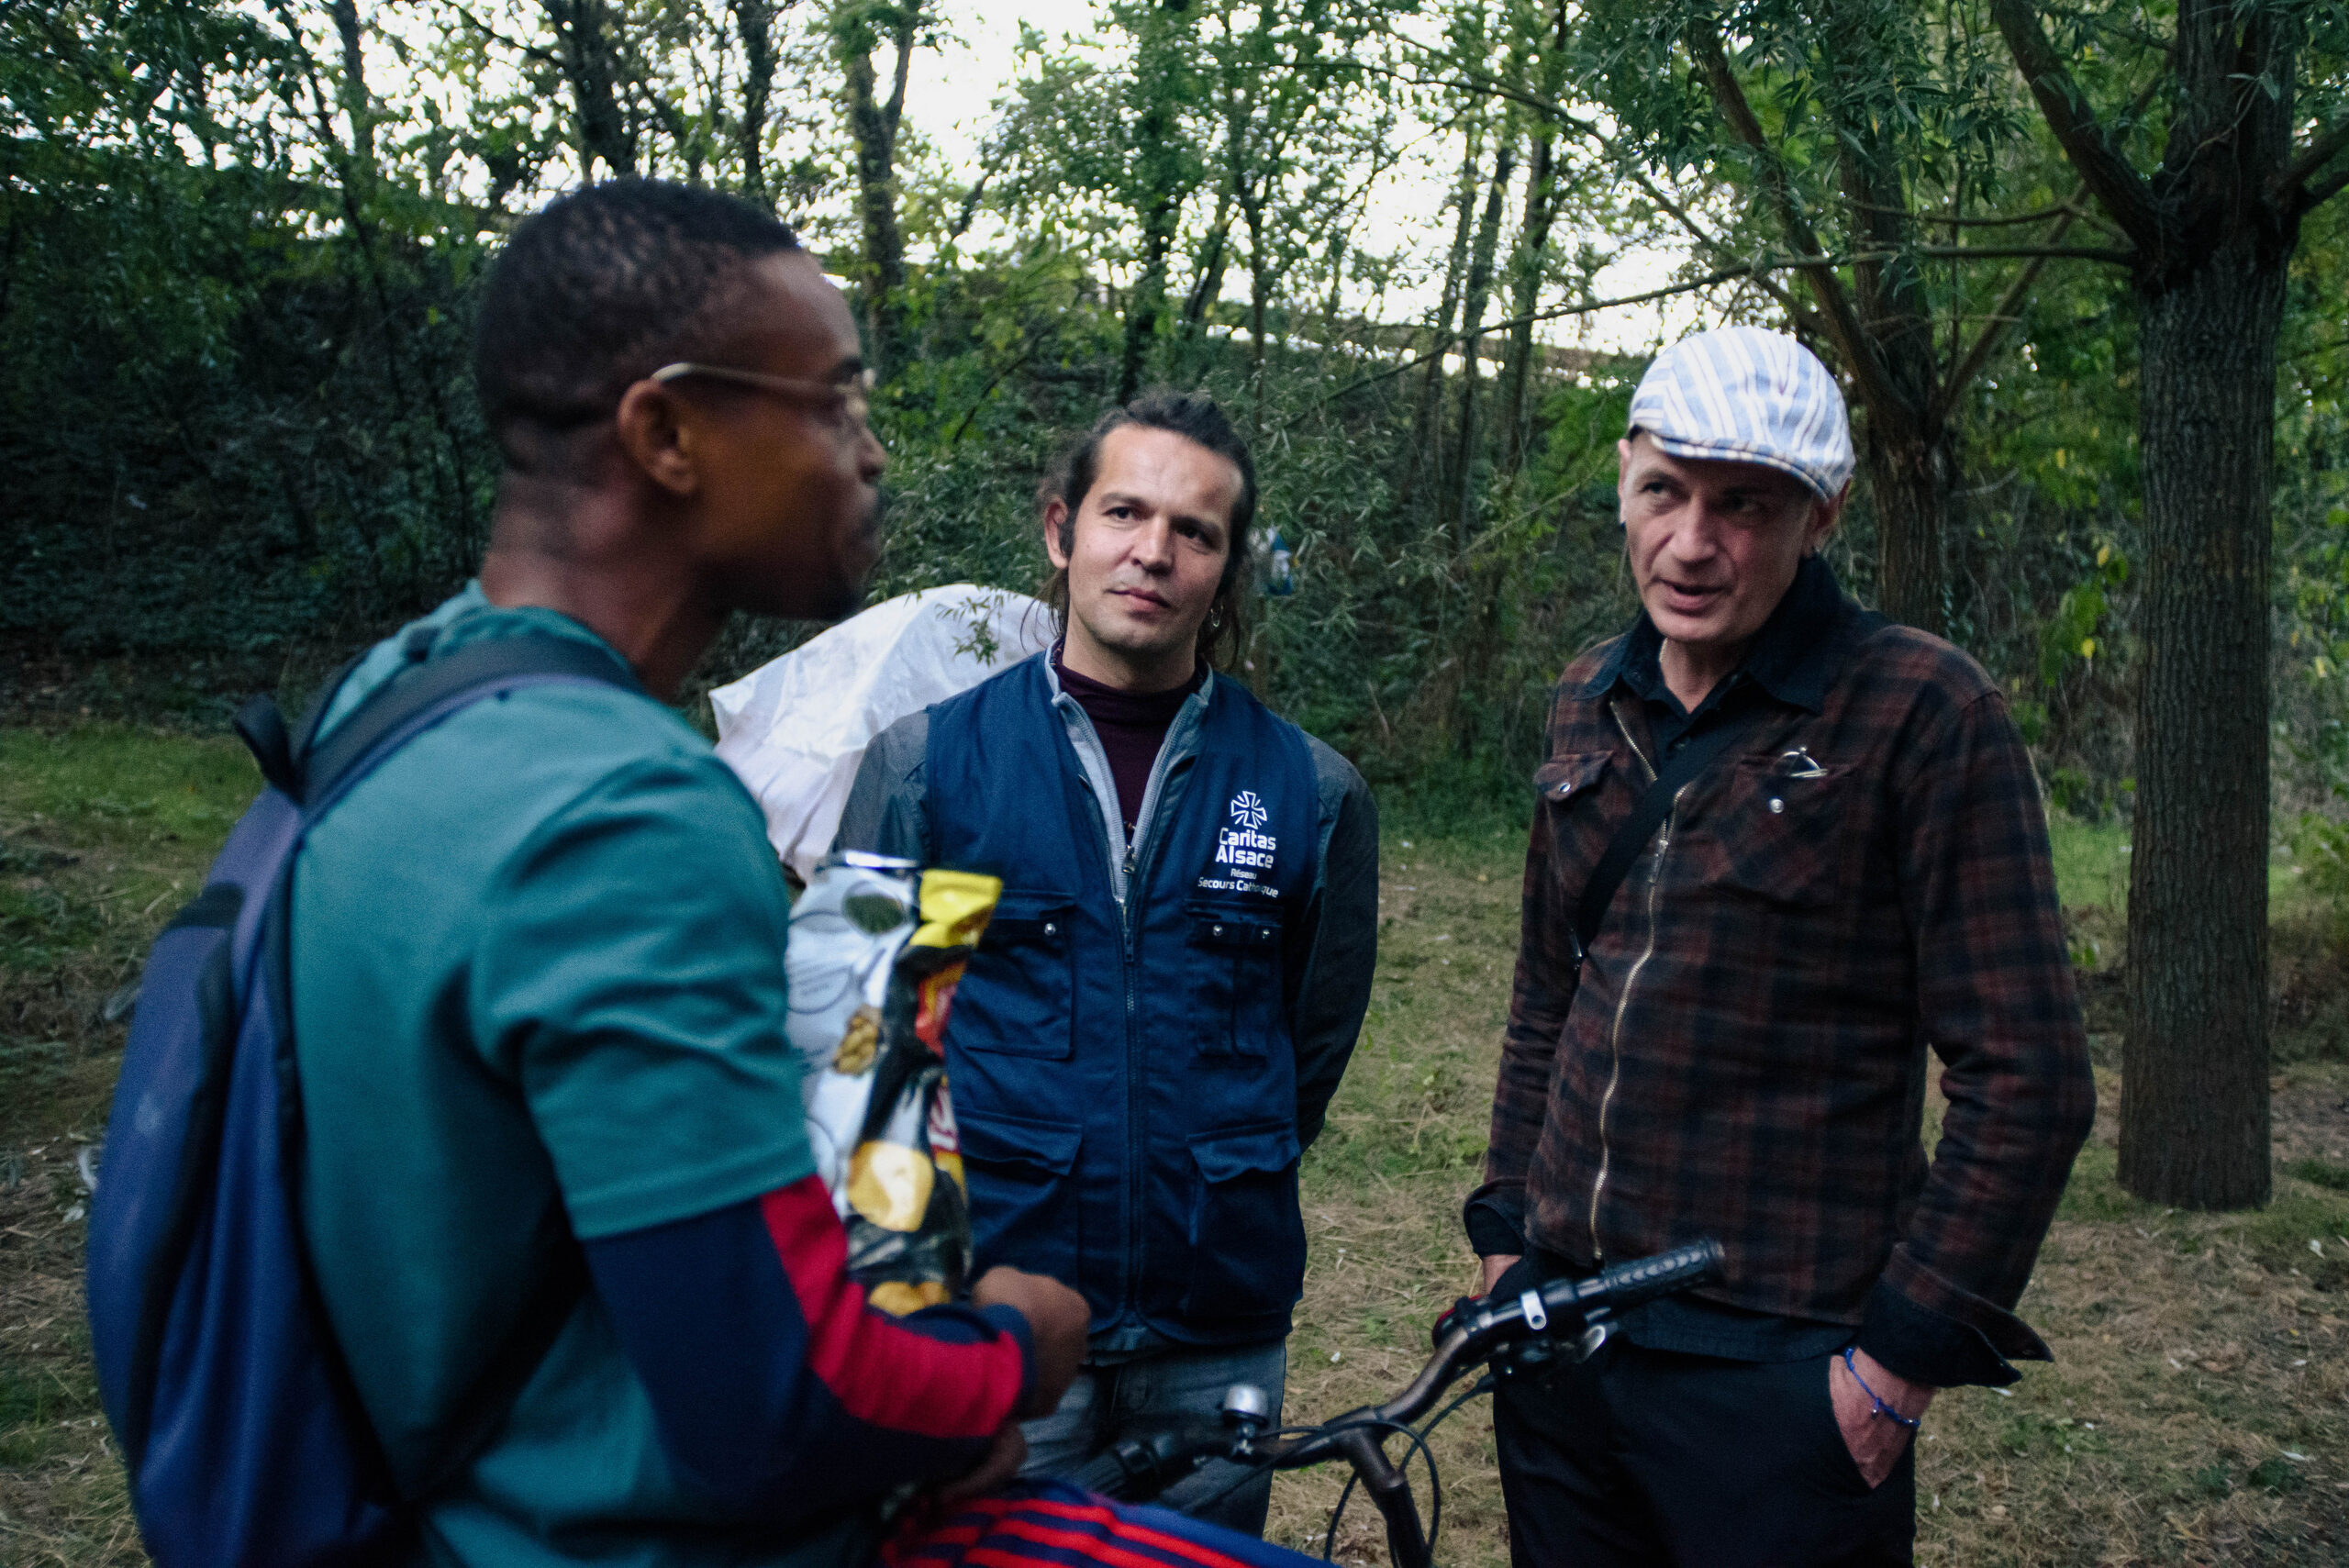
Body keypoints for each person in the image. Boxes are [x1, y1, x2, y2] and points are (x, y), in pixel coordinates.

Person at [284, 179, 1302, 1568]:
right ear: (665, 433)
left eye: (1197, 531)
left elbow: (1304, 1027)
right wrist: (994, 1347)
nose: (869, 452)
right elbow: (801, 1293)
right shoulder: (651, 816)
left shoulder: (395, 710)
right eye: (834, 402)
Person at [1465, 327, 2097, 1566]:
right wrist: (1503, 1239)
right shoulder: (1588, 694)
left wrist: (1892, 1368)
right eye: (1665, 491)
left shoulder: (1922, 709)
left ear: (1824, 514)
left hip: (1777, 1368)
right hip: (1561, 1342)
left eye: (1744, 506)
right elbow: (1549, 990)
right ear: (1624, 479)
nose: (1691, 542)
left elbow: (2028, 1076)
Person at [835, 393, 1379, 1535]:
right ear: (1060, 529)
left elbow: (1307, 1046)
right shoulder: (925, 766)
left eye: (1196, 530)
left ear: (1226, 570)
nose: (1153, 551)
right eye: (1124, 512)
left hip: (1217, 1329)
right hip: (1001, 1317)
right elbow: (866, 1071)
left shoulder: (1313, 793)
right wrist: (911, 1316)